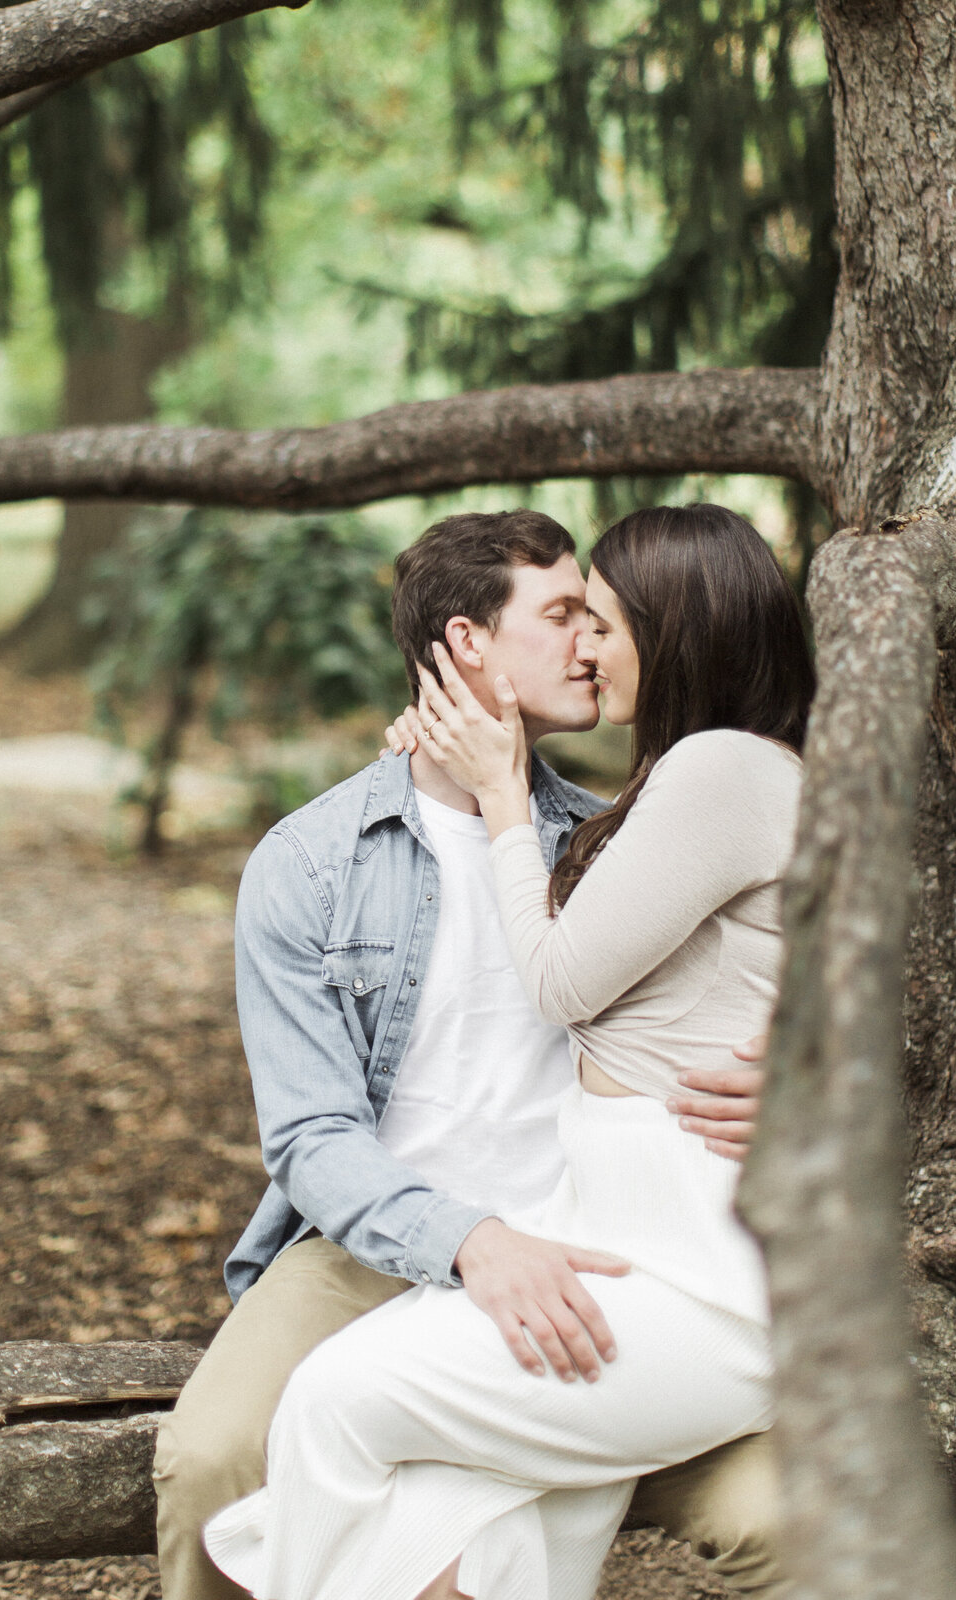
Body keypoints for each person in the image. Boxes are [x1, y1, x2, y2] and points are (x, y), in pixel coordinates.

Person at [152, 508, 785, 1600]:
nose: (589, 639)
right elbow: (312, 1136)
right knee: (210, 1458)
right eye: (562, 614)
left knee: (786, 1509)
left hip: (602, 1243)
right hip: (379, 1244)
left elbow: (771, 952)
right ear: (465, 645)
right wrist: (470, 1241)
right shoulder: (309, 864)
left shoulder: (619, 834)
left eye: (600, 617)